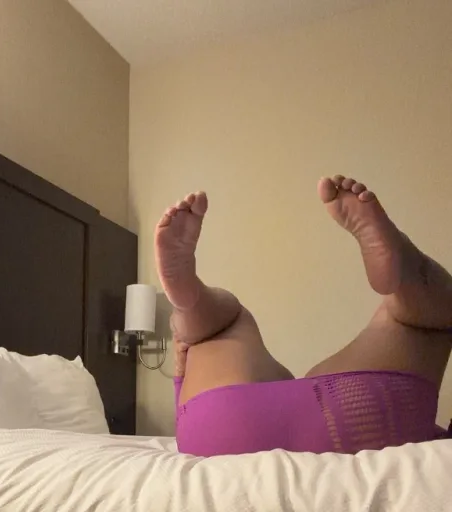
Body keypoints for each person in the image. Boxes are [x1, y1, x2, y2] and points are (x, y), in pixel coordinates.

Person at [155, 176, 452, 456]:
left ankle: (190, 303)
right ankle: (406, 266)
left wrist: (186, 348)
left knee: (223, 325)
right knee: (421, 316)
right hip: (364, 416)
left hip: (217, 423)